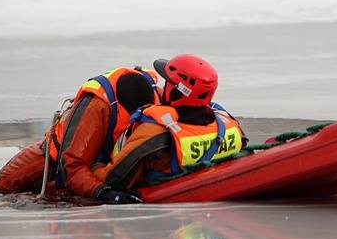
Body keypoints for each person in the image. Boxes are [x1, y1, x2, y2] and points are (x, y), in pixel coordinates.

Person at [0, 66, 160, 204]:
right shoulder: (97, 107)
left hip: (97, 164)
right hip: (51, 165)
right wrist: (102, 192)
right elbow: (72, 166)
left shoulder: (157, 98)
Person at [93, 54, 246, 191]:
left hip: (163, 195)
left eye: (167, 83)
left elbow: (115, 179)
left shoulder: (154, 130)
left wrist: (96, 167)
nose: (163, 87)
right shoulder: (228, 123)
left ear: (177, 92)